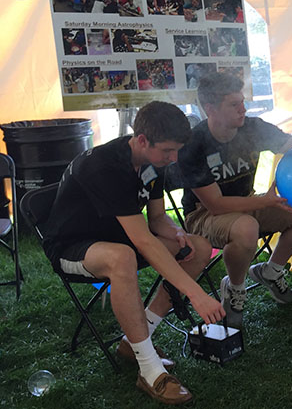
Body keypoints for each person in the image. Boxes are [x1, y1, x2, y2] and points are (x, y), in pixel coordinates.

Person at [43, 101, 225, 404]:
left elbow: (156, 220)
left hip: (120, 239)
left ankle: (135, 339)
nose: (174, 158)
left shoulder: (153, 162)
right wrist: (196, 294)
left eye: (177, 150)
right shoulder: (105, 166)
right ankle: (149, 369)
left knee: (199, 247)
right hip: (71, 246)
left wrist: (177, 233)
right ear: (142, 140)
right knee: (122, 258)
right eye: (168, 151)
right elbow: (142, 240)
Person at [178, 72, 292, 328]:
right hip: (204, 214)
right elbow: (215, 205)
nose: (243, 109)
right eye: (233, 104)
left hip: (248, 203)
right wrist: (264, 201)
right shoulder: (194, 144)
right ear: (210, 109)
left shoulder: (252, 127)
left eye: (242, 102)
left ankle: (270, 272)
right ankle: (235, 288)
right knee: (246, 228)